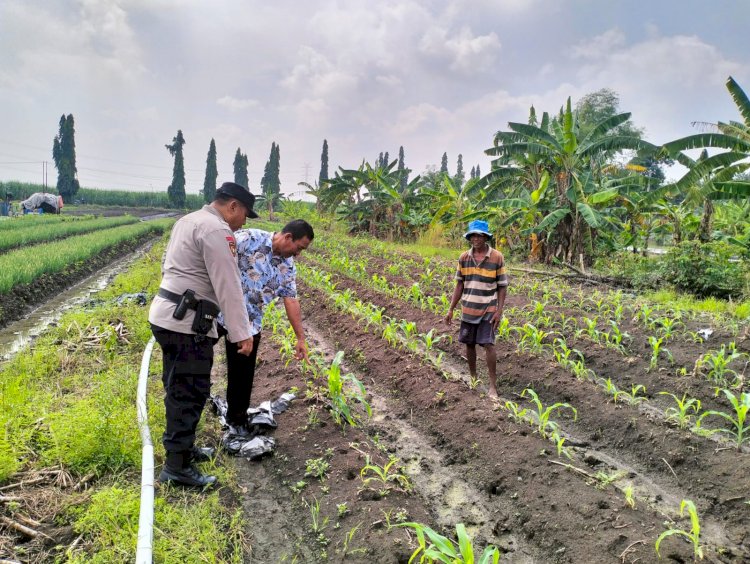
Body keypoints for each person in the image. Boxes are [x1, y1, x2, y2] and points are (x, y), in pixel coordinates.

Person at [148, 182, 259, 488]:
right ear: (233, 205)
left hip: (169, 315)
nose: (244, 222)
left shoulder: (188, 220)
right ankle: (177, 468)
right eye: (246, 214)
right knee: (190, 391)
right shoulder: (216, 230)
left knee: (179, 386)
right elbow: (228, 284)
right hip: (185, 325)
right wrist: (241, 332)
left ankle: (183, 449)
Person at [217, 219, 314, 435]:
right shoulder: (247, 239)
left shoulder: (286, 265)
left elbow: (291, 298)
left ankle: (236, 420)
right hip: (217, 312)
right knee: (199, 362)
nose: (298, 254)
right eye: (299, 248)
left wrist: (300, 338)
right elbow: (213, 256)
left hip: (249, 323)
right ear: (288, 237)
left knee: (242, 374)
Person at [445, 219, 508, 399]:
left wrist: (499, 310)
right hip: (468, 308)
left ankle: (493, 387)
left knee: (489, 344)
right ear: (470, 237)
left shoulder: (497, 257)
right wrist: (451, 309)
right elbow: (459, 285)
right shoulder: (464, 258)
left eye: (479, 235)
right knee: (469, 344)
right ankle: (473, 379)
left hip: (488, 308)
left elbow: (502, 286)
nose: (476, 238)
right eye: (473, 235)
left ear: (486, 237)